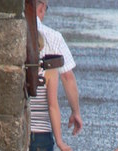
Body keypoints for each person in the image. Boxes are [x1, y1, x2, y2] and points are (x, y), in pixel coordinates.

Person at [30, 33, 72, 151]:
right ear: (41, 47)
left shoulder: (18, 70)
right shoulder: (48, 71)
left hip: (21, 135)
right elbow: (52, 105)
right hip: (42, 136)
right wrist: (60, 140)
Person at [34, 0, 83, 135]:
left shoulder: (12, 33)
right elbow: (67, 77)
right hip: (41, 127)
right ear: (42, 8)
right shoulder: (53, 37)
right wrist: (75, 111)